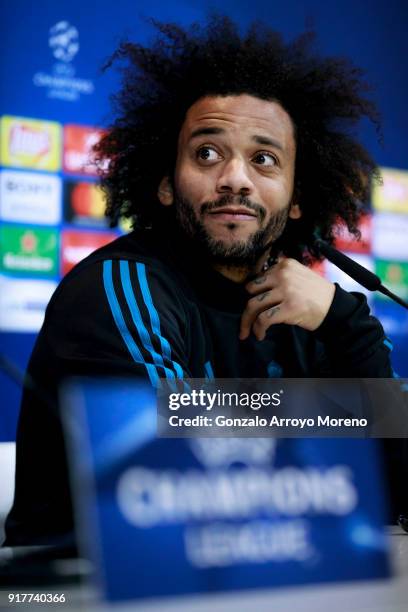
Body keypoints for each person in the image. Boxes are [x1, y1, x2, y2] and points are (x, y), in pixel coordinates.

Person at [4, 16, 401, 547]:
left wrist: (345, 320)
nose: (235, 178)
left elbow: (395, 487)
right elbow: (183, 481)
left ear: (297, 198)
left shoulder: (311, 309)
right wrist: (330, 421)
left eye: (264, 159)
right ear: (167, 184)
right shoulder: (119, 288)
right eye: (207, 153)